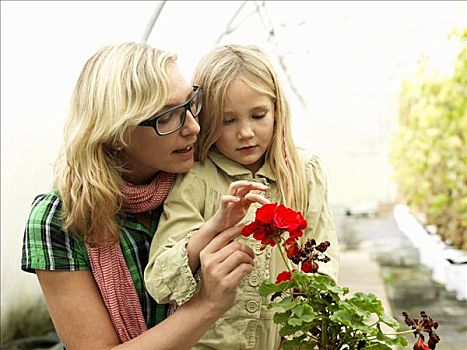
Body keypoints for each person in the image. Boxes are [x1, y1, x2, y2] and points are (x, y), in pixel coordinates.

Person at [21, 42, 264, 350]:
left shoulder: (204, 185)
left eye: (192, 104)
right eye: (166, 117)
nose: (193, 127)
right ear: (114, 133)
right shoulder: (61, 218)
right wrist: (207, 304)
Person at [144, 44, 340, 350]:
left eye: (258, 115)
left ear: (277, 110)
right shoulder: (196, 177)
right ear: (205, 119)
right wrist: (212, 230)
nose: (246, 132)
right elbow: (160, 281)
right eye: (228, 120)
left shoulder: (303, 172)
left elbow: (323, 264)